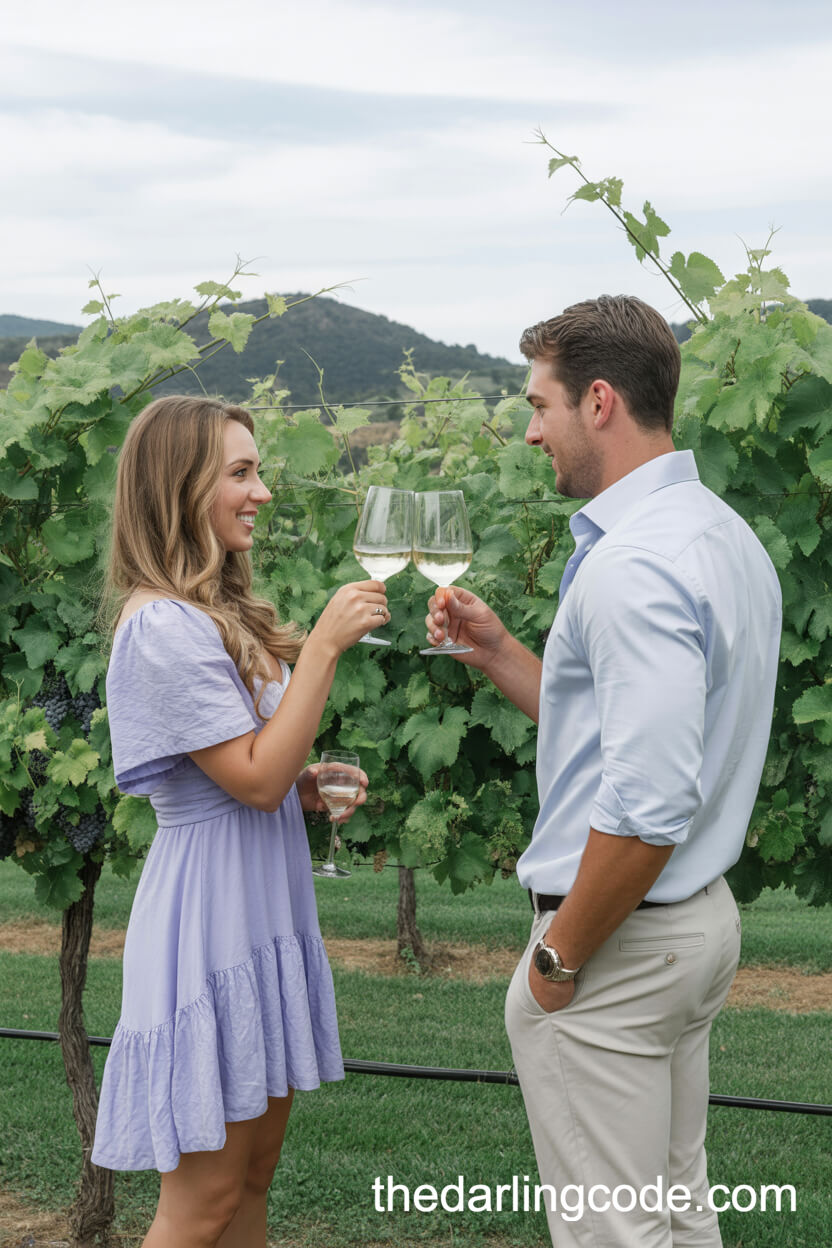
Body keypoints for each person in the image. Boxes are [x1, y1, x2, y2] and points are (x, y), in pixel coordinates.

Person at [425, 295, 781, 1247]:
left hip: (617, 946)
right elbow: (624, 740)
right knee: (674, 1212)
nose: (529, 431)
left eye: (537, 406)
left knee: (614, 1234)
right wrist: (498, 651)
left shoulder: (635, 567)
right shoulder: (719, 536)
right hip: (690, 926)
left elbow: (649, 806)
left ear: (597, 401)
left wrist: (555, 961)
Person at [91, 394, 389, 1248]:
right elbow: (252, 781)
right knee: (202, 1207)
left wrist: (304, 786)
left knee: (252, 1184)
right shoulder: (161, 629)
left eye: (259, 471)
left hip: (260, 913)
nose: (260, 491)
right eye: (241, 473)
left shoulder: (213, 615)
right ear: (180, 488)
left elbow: (256, 775)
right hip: (210, 928)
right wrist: (326, 648)